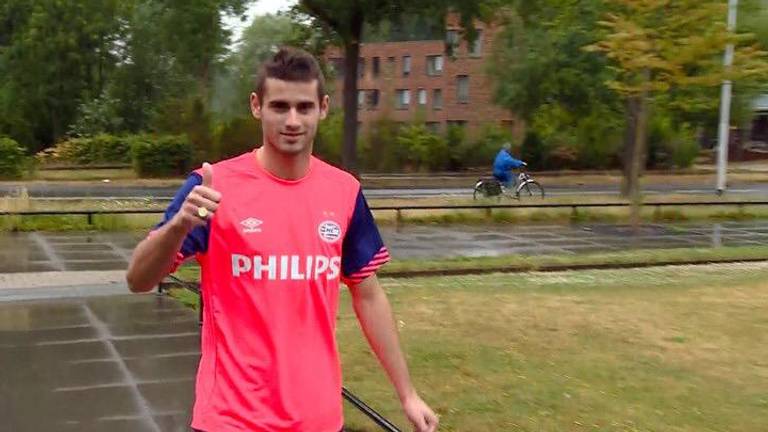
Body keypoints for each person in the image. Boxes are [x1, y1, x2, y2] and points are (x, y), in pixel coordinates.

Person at [126, 48, 438, 432]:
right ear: (257, 106)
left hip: (319, 420)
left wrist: (407, 393)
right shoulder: (211, 187)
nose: (292, 121)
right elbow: (138, 280)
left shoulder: (344, 191)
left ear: (323, 108)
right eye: (280, 106)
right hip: (230, 420)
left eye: (304, 107)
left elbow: (368, 294)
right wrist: (177, 228)